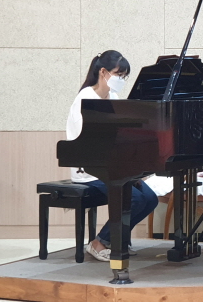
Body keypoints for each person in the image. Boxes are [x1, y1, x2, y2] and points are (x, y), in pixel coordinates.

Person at [66, 50, 158, 262]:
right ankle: (100, 242)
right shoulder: (85, 99)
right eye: (118, 74)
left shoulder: (113, 97)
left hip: (113, 167)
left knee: (150, 199)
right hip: (90, 170)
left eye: (124, 76)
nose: (121, 80)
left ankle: (118, 239)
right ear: (103, 72)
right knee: (134, 199)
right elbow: (87, 143)